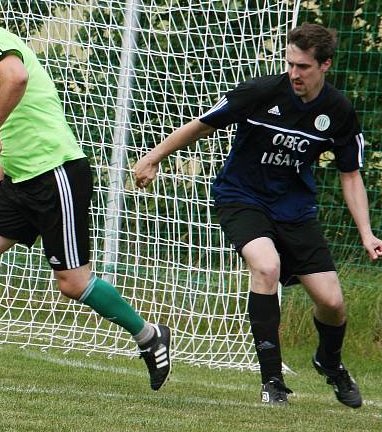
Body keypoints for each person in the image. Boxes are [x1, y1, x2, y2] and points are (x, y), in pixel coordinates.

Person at [0, 0, 171, 390]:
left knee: (73, 284)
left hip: (55, 174)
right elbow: (28, 107)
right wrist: (5, 166)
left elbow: (17, 78)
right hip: (22, 178)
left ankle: (149, 335)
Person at [134, 23, 381, 407]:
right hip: (242, 198)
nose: (294, 73)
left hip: (296, 210)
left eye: (303, 67)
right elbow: (201, 125)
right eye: (290, 64)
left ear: (325, 65)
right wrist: (153, 159)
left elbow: (350, 175)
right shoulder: (261, 92)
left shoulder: (338, 110)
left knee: (332, 303)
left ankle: (329, 363)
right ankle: (272, 382)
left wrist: (366, 234)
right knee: (265, 266)